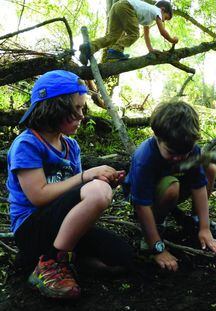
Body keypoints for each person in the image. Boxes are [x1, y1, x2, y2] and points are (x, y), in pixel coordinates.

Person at [7, 70, 135, 299]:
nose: (81, 116)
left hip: (64, 226)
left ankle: (72, 260)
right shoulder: (27, 144)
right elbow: (39, 196)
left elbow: (77, 194)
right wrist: (88, 178)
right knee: (97, 189)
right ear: (54, 108)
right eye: (75, 109)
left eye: (82, 109)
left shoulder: (71, 147)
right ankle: (49, 263)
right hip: (31, 229)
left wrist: (105, 183)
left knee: (124, 259)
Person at [123, 101, 216, 272]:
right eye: (172, 153)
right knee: (171, 186)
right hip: (147, 199)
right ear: (157, 137)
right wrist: (157, 248)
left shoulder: (190, 150)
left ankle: (195, 221)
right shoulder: (145, 158)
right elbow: (141, 205)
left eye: (184, 153)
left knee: (208, 166)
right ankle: (154, 228)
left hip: (175, 185)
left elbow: (199, 186)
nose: (179, 157)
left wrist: (204, 227)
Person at [79, 0, 178, 65]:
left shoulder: (149, 16)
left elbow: (146, 34)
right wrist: (172, 40)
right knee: (134, 34)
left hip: (117, 7)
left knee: (113, 36)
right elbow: (162, 32)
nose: (163, 20)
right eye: (165, 17)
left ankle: (88, 48)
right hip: (127, 7)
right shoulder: (156, 11)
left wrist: (150, 49)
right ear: (162, 10)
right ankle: (115, 51)